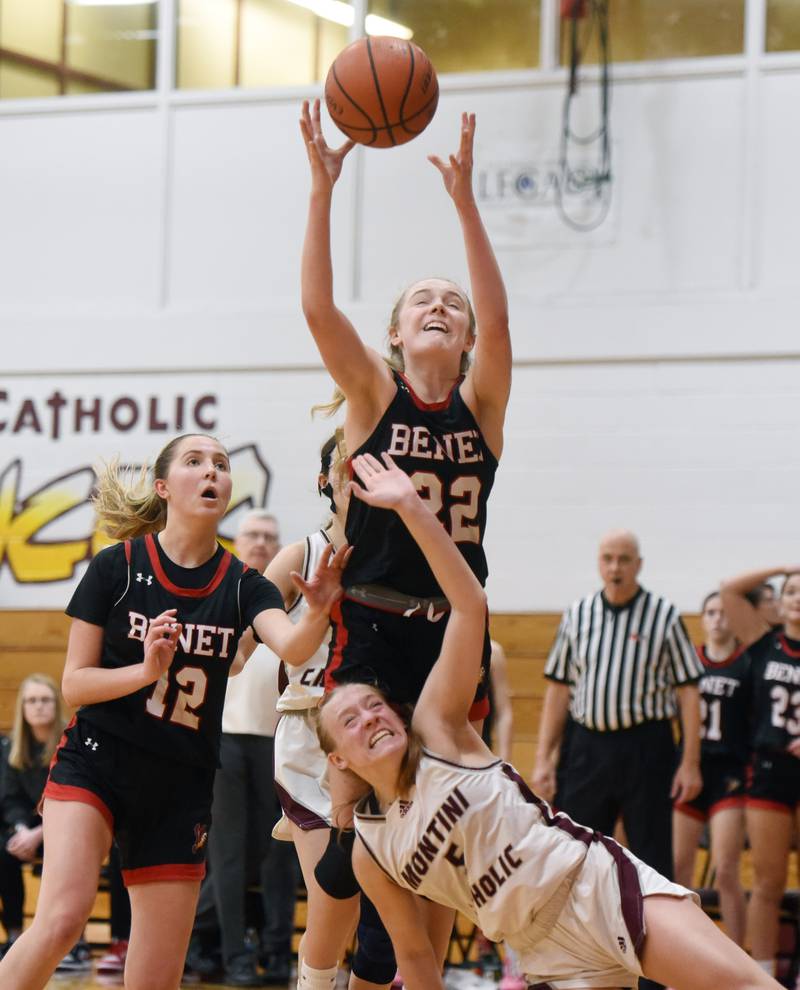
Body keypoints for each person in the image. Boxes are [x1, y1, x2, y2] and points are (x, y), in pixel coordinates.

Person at [316, 451, 780, 990]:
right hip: (543, 951)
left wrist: (413, 508)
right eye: (351, 719)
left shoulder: (438, 728)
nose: (371, 716)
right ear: (337, 758)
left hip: (592, 885)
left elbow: (469, 605)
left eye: (375, 704)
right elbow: (418, 960)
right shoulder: (373, 849)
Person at [0, 433, 348, 990]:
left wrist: (319, 610)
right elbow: (74, 685)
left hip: (180, 781)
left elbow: (294, 646)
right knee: (64, 918)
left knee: (158, 974)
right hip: (97, 761)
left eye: (222, 464)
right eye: (196, 462)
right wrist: (144, 671)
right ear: (164, 487)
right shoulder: (116, 567)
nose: (213, 471)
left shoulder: (243, 584)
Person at [300, 99, 510, 719]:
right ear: (395, 333)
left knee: (451, 787)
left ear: (467, 339)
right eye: (423, 300)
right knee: (359, 790)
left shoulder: (483, 405)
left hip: (456, 623)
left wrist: (466, 206)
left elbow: (499, 322)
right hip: (372, 615)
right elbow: (318, 310)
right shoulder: (375, 395)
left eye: (453, 302)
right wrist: (322, 192)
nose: (439, 305)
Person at [531, 531, 703, 990]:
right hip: (588, 747)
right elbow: (558, 689)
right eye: (608, 558)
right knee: (577, 857)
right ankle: (578, 966)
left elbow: (689, 692)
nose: (615, 567)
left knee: (652, 860)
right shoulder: (578, 614)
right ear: (598, 562)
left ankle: (657, 977)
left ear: (638, 564)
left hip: (647, 748)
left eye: (624, 559)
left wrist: (690, 761)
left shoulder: (664, 615)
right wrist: (545, 758)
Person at [267, 433, 391, 990]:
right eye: (345, 469)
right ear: (326, 482)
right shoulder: (299, 556)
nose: (356, 480)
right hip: (308, 739)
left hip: (376, 741)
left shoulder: (396, 558)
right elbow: (242, 643)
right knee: (332, 902)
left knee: (384, 915)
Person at [188, 509, 295, 987]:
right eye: (253, 534)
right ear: (237, 540)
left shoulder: (284, 600)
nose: (261, 542)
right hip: (225, 738)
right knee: (228, 855)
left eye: (270, 536)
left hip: (278, 741)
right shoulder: (222, 590)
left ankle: (276, 955)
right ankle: (233, 958)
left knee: (276, 856)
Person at [721, 566, 800, 978]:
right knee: (768, 884)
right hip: (769, 769)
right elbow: (730, 588)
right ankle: (762, 977)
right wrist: (782, 568)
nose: (798, 596)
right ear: (780, 601)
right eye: (791, 590)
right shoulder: (763, 642)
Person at [672, 592, 749, 946]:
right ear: (701, 619)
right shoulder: (688, 664)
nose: (717, 618)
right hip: (690, 774)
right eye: (710, 612)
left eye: (723, 612)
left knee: (727, 872)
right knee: (678, 871)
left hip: (729, 779)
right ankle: (686, 956)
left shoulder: (746, 664)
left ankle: (738, 960)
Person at [0, 676, 66, 960]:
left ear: (56, 704)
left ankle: (72, 940)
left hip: (66, 829)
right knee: (3, 851)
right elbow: (10, 798)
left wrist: (39, 833)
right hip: (28, 830)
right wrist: (20, 830)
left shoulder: (70, 742)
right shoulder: (11, 747)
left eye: (45, 700)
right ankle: (14, 935)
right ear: (22, 708)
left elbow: (69, 800)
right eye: (31, 700)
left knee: (66, 853)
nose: (38, 706)